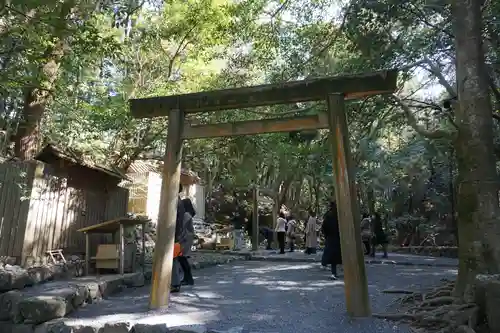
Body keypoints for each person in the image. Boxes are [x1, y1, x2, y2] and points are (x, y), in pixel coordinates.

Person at [171, 184, 187, 293]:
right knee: (174, 258)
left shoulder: (175, 202)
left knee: (173, 259)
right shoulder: (179, 201)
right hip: (178, 234)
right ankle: (175, 282)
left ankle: (175, 283)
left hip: (175, 235)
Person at [322, 201, 342, 280]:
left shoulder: (328, 215)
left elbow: (324, 227)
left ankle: (334, 272)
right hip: (338, 237)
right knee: (338, 255)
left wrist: (326, 235)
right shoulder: (339, 215)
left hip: (331, 238)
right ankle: (338, 271)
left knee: (332, 256)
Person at [178, 197, 196, 286]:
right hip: (188, 238)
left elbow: (183, 227)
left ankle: (188, 279)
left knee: (182, 258)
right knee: (183, 258)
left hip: (185, 238)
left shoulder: (186, 215)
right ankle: (188, 278)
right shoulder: (188, 214)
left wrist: (179, 238)